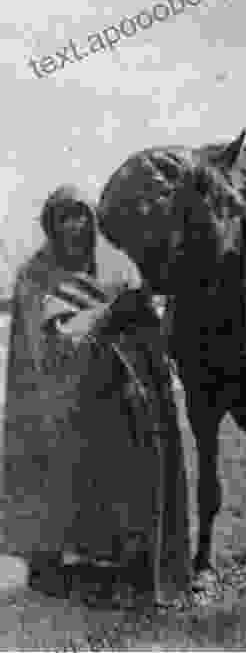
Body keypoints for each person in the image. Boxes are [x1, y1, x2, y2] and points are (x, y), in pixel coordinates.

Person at [0, 185, 191, 607]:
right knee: (66, 485)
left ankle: (130, 566)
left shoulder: (118, 265)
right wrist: (103, 319)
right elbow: (46, 341)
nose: (75, 225)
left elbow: (143, 325)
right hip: (63, 402)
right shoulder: (35, 276)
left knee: (125, 484)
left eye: (80, 215)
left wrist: (135, 325)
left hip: (119, 398)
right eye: (64, 218)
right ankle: (59, 567)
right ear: (51, 225)